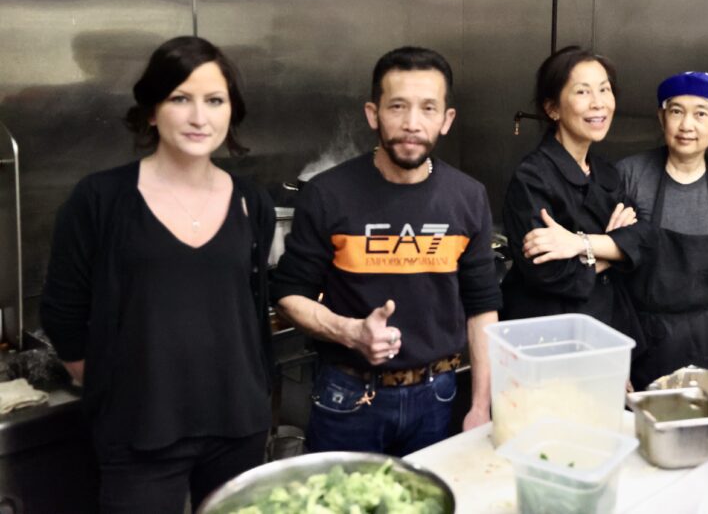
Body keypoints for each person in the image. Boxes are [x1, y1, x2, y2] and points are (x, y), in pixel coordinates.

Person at [40, 37, 275, 514]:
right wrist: (113, 383)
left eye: (214, 101)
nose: (198, 117)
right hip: (138, 432)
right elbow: (63, 312)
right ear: (151, 111)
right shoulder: (101, 199)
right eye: (179, 99)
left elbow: (252, 305)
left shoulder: (253, 201)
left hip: (237, 424)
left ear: (231, 111)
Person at [271, 46, 500, 456]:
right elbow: (289, 296)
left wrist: (481, 405)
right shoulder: (327, 194)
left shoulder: (468, 197)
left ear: (446, 120)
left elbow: (482, 306)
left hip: (439, 396)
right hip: (348, 395)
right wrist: (351, 332)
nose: (412, 124)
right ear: (373, 114)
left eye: (428, 108)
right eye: (398, 106)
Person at [618, 72, 708, 389]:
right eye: (676, 111)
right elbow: (609, 281)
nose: (686, 126)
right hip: (639, 341)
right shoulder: (630, 175)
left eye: (700, 114)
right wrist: (614, 358)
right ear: (661, 117)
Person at [500, 46, 645, 337]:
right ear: (552, 108)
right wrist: (612, 251)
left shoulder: (606, 172)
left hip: (604, 325)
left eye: (604, 90)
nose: (598, 103)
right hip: (547, 334)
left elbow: (641, 243)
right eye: (583, 92)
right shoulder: (532, 176)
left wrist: (579, 245)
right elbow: (548, 272)